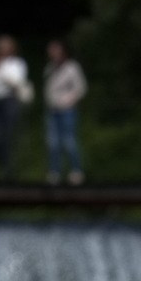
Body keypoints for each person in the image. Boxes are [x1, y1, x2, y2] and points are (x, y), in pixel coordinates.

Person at [0, 36, 34, 180]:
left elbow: (17, 82)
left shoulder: (17, 63)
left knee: (7, 136)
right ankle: (3, 165)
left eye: (4, 46)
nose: (1, 49)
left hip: (9, 101)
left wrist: (1, 73)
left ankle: (9, 171)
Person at [43, 40, 87, 186]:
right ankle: (54, 172)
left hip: (67, 110)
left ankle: (76, 171)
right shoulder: (50, 68)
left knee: (69, 141)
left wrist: (69, 100)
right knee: (53, 142)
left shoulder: (72, 67)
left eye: (55, 50)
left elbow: (81, 88)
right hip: (52, 110)